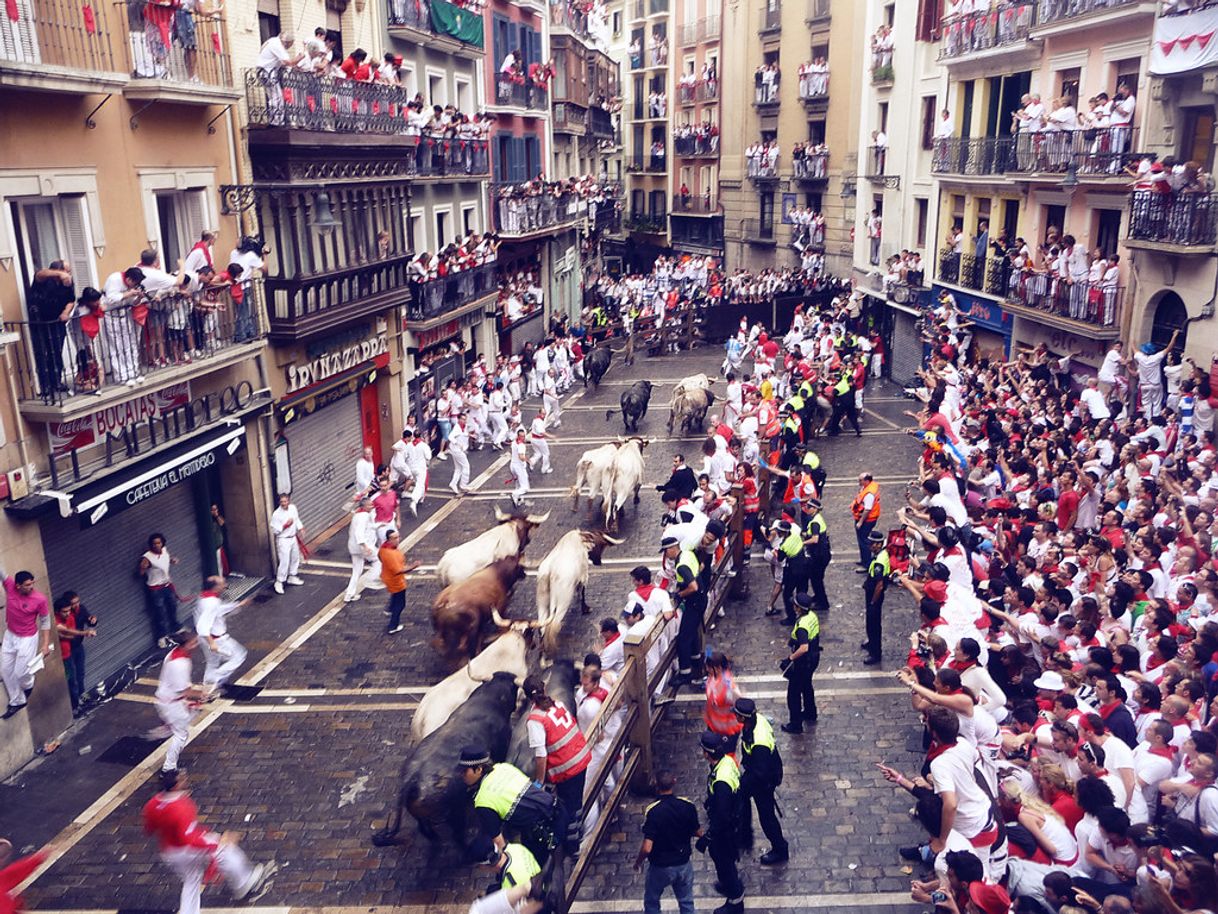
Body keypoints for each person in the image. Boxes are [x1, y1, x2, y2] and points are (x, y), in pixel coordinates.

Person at [142, 768, 273, 914]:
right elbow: (189, 839)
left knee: (191, 880)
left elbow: (149, 829)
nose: (186, 779)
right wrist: (219, 843)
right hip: (186, 849)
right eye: (182, 778)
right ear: (175, 785)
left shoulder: (152, 804)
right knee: (225, 847)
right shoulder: (182, 806)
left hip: (170, 853)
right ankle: (244, 882)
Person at [461, 747, 565, 867]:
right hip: (558, 809)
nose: (461, 775)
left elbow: (500, 844)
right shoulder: (503, 767)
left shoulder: (483, 801)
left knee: (536, 870)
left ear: (479, 769)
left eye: (465, 771)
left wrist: (508, 871)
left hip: (544, 833)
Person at [523, 674, 590, 852]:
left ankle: (572, 846)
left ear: (528, 697)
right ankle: (577, 836)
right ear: (544, 689)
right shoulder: (558, 704)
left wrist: (539, 781)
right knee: (576, 802)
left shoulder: (535, 720)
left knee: (569, 807)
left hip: (566, 768)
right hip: (581, 757)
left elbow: (541, 754)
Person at [634, 769, 700, 914]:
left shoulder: (653, 811)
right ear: (674, 782)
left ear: (656, 785)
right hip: (683, 864)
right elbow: (697, 831)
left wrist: (638, 862)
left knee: (652, 901)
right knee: (686, 902)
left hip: (660, 867)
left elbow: (647, 848)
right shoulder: (688, 806)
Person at [733, 698, 788, 865]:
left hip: (763, 781)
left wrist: (744, 783)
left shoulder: (760, 741)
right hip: (759, 774)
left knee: (767, 817)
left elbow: (760, 772)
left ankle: (780, 849)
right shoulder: (757, 721)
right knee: (742, 798)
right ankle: (744, 834)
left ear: (743, 718)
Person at [698, 730, 745, 914]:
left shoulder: (721, 782)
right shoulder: (726, 762)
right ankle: (728, 884)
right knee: (724, 860)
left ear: (707, 754)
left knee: (724, 862)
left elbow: (722, 816)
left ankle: (735, 902)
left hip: (725, 831)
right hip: (732, 823)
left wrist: (708, 837)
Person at [0, 568, 52, 720]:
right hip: (10, 635)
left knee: (21, 673)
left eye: (32, 583)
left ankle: (28, 684)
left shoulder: (40, 599)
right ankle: (18, 701)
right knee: (5, 670)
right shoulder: (9, 585)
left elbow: (45, 620)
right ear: (18, 586)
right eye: (28, 585)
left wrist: (45, 644)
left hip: (28, 638)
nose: (31, 587)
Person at [194, 576, 252, 700]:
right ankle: (215, 679)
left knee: (212, 662)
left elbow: (218, 610)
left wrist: (237, 605)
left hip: (205, 639)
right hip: (216, 639)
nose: (225, 585)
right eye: (222, 583)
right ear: (215, 587)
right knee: (239, 655)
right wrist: (212, 643)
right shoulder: (211, 603)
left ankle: (207, 691)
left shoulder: (204, 598)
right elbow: (202, 625)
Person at [154, 630, 204, 773]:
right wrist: (203, 694)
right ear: (186, 645)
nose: (196, 644)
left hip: (166, 699)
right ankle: (169, 767)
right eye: (193, 642)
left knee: (189, 713)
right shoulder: (180, 664)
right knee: (182, 734)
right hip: (171, 704)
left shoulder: (174, 654)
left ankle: (167, 725)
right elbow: (185, 691)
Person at [666, 536, 705, 686]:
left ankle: (685, 673)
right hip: (700, 600)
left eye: (666, 551)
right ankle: (697, 663)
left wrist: (679, 594)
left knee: (683, 638)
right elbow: (700, 567)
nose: (666, 555)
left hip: (694, 602)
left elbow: (693, 587)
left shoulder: (681, 565)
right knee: (692, 634)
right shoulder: (688, 553)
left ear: (671, 549)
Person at [781, 592, 820, 733]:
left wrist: (790, 658)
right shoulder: (812, 616)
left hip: (803, 662)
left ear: (799, 608)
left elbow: (804, 647)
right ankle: (810, 712)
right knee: (807, 686)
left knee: (794, 693)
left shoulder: (802, 625)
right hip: (813, 658)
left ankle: (795, 724)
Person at [54, 593, 97, 713]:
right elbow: (64, 631)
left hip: (77, 647)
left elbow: (70, 633)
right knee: (71, 680)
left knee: (80, 673)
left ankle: (81, 697)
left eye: (77, 602)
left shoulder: (77, 612)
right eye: (73, 604)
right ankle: (75, 706)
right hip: (65, 656)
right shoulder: (57, 619)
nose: (76, 606)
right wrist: (83, 633)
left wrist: (92, 621)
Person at [140, 533, 182, 649]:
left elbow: (163, 561)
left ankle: (175, 628)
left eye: (158, 543)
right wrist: (142, 568)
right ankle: (161, 637)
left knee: (173, 606)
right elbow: (140, 573)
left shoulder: (164, 550)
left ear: (162, 543)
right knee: (160, 613)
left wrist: (172, 560)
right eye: (154, 544)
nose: (156, 545)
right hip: (155, 589)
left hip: (167, 585)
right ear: (151, 545)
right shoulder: (147, 557)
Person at [379, 529, 419, 635]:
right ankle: (393, 626)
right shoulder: (390, 554)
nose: (398, 540)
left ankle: (389, 609)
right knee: (400, 604)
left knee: (395, 596)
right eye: (395, 538)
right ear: (389, 539)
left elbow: (380, 557)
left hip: (388, 578)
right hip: (396, 582)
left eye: (398, 537)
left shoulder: (383, 548)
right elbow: (398, 571)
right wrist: (413, 566)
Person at [861, 530, 889, 665]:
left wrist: (873, 602)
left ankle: (875, 653)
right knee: (870, 622)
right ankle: (871, 643)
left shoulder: (880, 561)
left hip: (874, 596)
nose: (870, 546)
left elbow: (879, 585)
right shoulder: (879, 555)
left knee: (874, 625)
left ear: (879, 544)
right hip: (871, 593)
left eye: (872, 544)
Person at [344, 498, 379, 604]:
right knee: (379, 560)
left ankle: (349, 594)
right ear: (363, 507)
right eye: (369, 505)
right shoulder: (364, 516)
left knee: (356, 571)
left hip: (353, 547)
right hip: (363, 547)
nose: (372, 506)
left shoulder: (357, 515)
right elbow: (359, 533)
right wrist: (365, 546)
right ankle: (371, 579)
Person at [270, 493, 304, 595]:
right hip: (283, 539)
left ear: (289, 501)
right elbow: (275, 530)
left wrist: (301, 528)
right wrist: (285, 526)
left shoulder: (293, 508)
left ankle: (292, 576)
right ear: (279, 502)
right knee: (284, 561)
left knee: (295, 557)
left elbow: (296, 519)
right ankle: (279, 581)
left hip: (292, 537)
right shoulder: (276, 514)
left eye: (285, 501)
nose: (284, 503)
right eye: (282, 502)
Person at [802, 498, 831, 612]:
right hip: (822, 553)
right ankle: (818, 596)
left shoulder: (815, 522)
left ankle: (823, 602)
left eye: (809, 507)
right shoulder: (817, 519)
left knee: (816, 579)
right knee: (817, 578)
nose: (807, 509)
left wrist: (802, 542)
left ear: (815, 509)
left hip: (819, 555)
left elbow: (815, 539)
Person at [851, 472, 881, 568]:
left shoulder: (869, 494)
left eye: (860, 480)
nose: (859, 482)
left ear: (867, 481)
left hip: (867, 520)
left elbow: (867, 509)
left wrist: (860, 522)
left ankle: (867, 563)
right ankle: (864, 559)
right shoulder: (868, 487)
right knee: (862, 540)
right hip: (866, 518)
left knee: (864, 541)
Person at [449, 413, 472, 495]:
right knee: (466, 466)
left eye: (465, 419)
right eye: (462, 419)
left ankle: (453, 483)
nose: (464, 420)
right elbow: (450, 437)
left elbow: (463, 434)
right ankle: (463, 485)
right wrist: (457, 444)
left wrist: (469, 435)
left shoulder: (464, 427)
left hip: (457, 450)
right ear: (458, 419)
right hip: (457, 450)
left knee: (458, 468)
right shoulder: (456, 428)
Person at [528, 408, 553, 475]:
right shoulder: (539, 421)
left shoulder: (535, 420)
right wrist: (550, 436)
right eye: (542, 414)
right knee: (546, 454)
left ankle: (531, 462)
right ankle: (545, 469)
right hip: (539, 440)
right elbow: (541, 432)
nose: (544, 415)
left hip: (533, 439)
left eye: (544, 414)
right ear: (539, 413)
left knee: (538, 453)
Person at [510, 427, 531, 506]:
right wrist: (529, 461)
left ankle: (519, 499)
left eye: (524, 436)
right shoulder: (521, 445)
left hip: (512, 465)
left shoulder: (514, 442)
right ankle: (514, 494)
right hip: (519, 467)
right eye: (522, 436)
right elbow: (521, 457)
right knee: (525, 487)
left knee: (518, 484)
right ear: (518, 436)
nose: (523, 437)